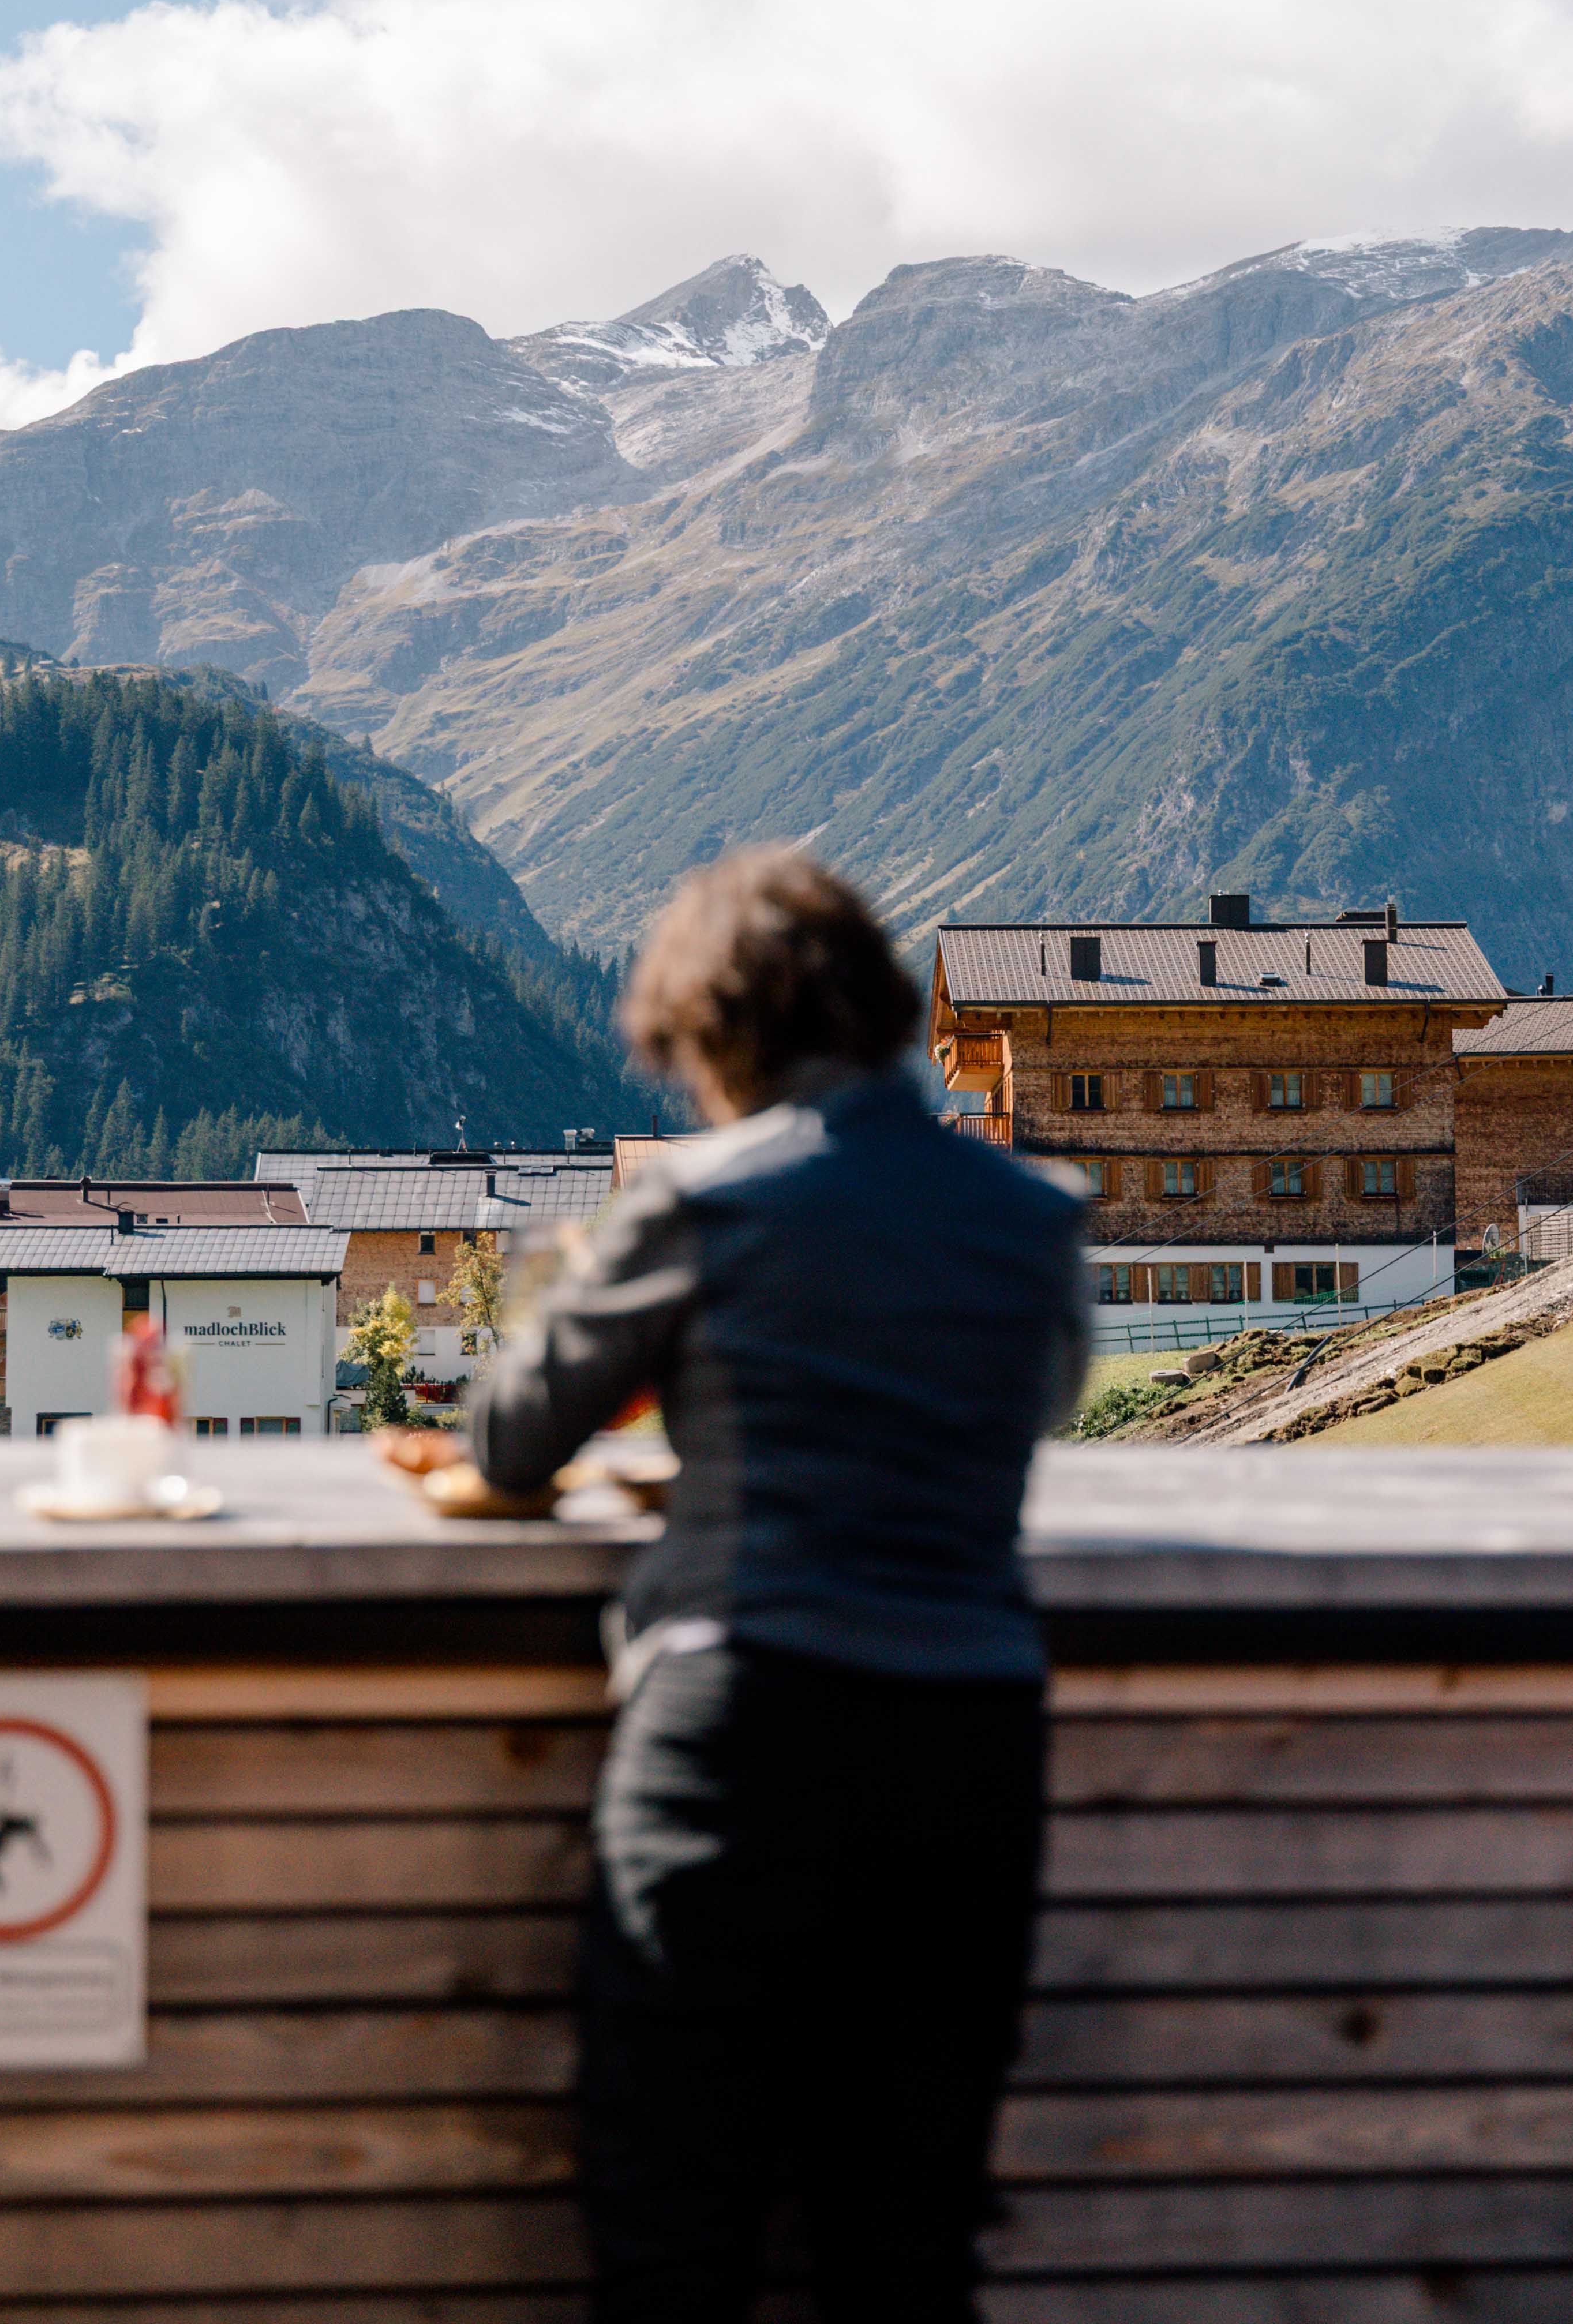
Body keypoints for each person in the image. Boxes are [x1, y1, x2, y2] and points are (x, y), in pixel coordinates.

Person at [469, 845, 1088, 2323]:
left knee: (676, 2235)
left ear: (715, 1035)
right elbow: (1032, 1408)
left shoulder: (704, 1200)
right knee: (905, 2249)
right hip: (970, 1745)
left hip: (739, 1735)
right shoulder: (1033, 1218)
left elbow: (509, 1440)